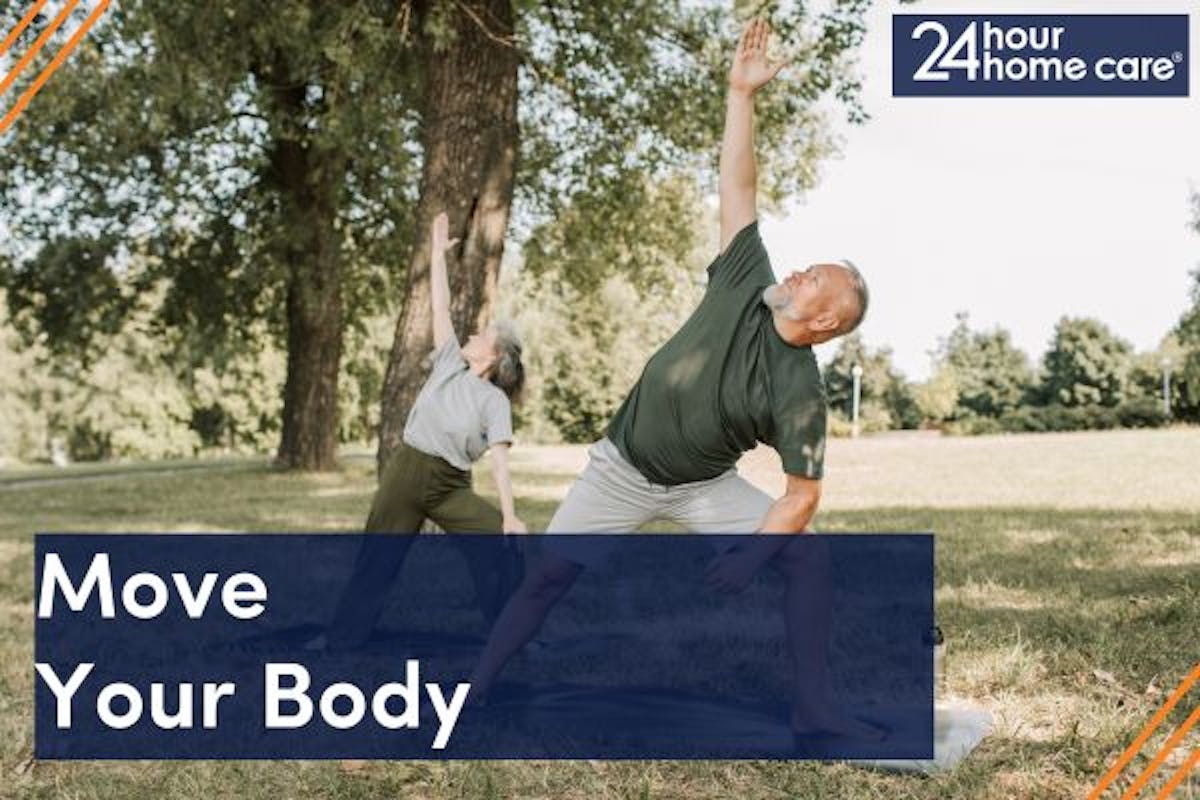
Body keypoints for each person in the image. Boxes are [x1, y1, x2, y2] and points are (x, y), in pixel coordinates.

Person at [468, 17, 879, 740]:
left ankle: (814, 708)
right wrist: (740, 96)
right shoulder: (747, 279)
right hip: (621, 467)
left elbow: (803, 497)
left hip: (701, 486)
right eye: (806, 264)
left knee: (807, 561)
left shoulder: (801, 392)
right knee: (548, 579)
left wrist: (753, 561)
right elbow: (738, 183)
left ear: (825, 324)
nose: (797, 269)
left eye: (815, 278)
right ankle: (476, 687)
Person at [312, 210, 527, 652]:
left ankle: (514, 636)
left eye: (482, 335)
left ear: (493, 356)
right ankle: (341, 639)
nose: (472, 333)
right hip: (407, 473)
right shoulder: (449, 360)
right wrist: (435, 254)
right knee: (378, 557)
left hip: (450, 486)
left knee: (499, 543)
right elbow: (440, 305)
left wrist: (508, 515)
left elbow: (501, 464)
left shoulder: (494, 402)